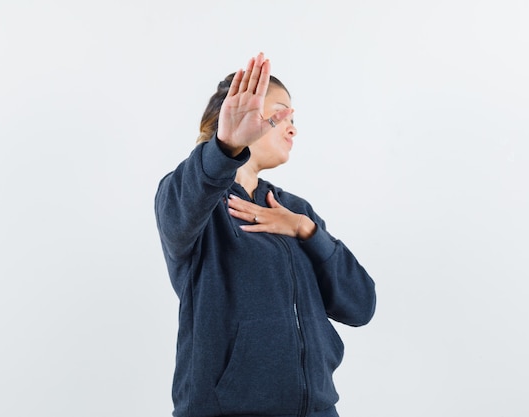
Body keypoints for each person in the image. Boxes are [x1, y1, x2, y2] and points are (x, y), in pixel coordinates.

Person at [154, 52, 376, 417]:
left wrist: (307, 232)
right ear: (236, 114)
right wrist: (225, 147)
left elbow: (361, 305)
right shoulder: (192, 199)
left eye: (294, 117)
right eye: (280, 113)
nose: (293, 127)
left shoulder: (296, 211)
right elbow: (182, 205)